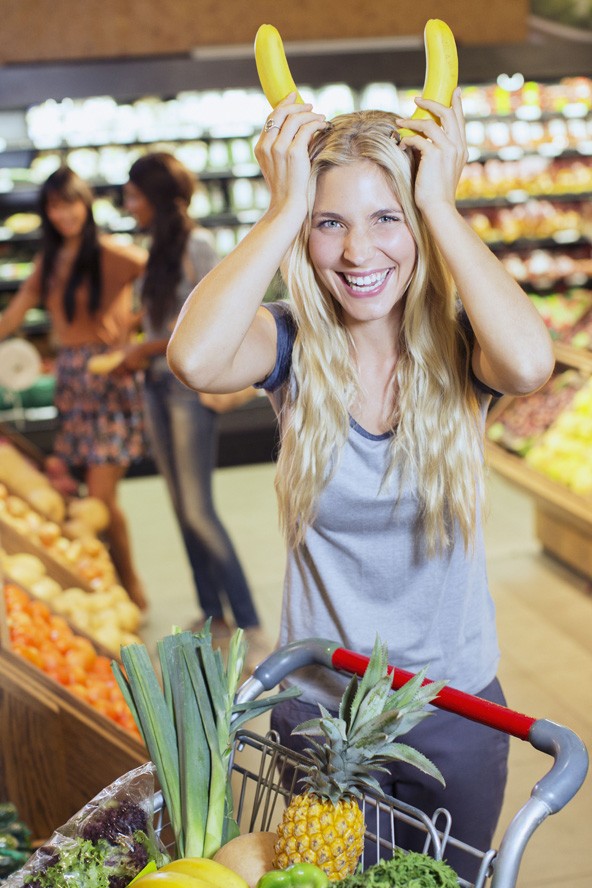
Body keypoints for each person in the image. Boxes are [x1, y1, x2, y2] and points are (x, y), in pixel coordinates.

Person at [167, 92, 555, 878]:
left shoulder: (460, 345)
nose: (356, 252)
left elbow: (530, 364)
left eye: (387, 218)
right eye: (330, 222)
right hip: (320, 708)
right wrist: (282, 209)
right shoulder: (291, 344)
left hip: (455, 709)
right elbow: (196, 358)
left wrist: (439, 205)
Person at [121, 152, 267, 659]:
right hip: (156, 387)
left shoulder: (197, 244)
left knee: (200, 510)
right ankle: (213, 614)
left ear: (157, 198)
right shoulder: (157, 245)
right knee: (181, 509)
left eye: (135, 194)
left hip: (187, 391)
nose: (127, 203)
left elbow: (220, 316)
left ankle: (248, 619)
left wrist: (146, 346)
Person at [0, 166, 149, 609]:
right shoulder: (49, 262)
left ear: (85, 204)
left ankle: (128, 590)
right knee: (93, 502)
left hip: (106, 382)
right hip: (70, 384)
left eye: (71, 202)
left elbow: (169, 286)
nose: (65, 213)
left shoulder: (111, 253)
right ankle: (121, 587)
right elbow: (14, 315)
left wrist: (133, 336)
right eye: (55, 205)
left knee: (99, 501)